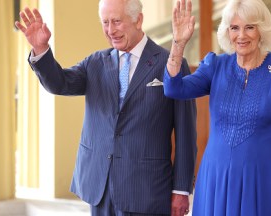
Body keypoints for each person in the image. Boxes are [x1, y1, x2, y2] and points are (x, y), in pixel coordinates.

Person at [15, 0, 197, 215]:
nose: (111, 30)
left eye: (117, 22)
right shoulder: (95, 62)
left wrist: (181, 189)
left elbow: (186, 133)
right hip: (100, 186)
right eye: (105, 22)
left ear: (138, 20)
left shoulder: (171, 63)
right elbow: (59, 83)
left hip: (146, 189)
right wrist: (41, 49)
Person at [163, 0, 271, 215]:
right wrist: (178, 43)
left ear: (261, 31)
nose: (241, 35)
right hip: (216, 178)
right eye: (234, 28)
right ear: (227, 32)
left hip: (261, 179)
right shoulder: (215, 65)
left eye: (250, 27)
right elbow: (174, 88)